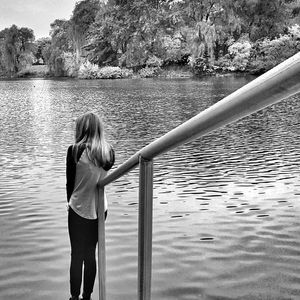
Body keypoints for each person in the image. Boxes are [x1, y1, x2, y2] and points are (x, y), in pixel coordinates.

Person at [66, 112, 115, 300]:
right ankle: (88, 296)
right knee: (90, 255)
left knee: (76, 255)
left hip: (79, 209)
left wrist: (68, 204)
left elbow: (70, 184)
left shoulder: (74, 150)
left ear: (81, 129)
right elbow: (106, 168)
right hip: (100, 210)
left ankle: (74, 297)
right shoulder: (108, 151)